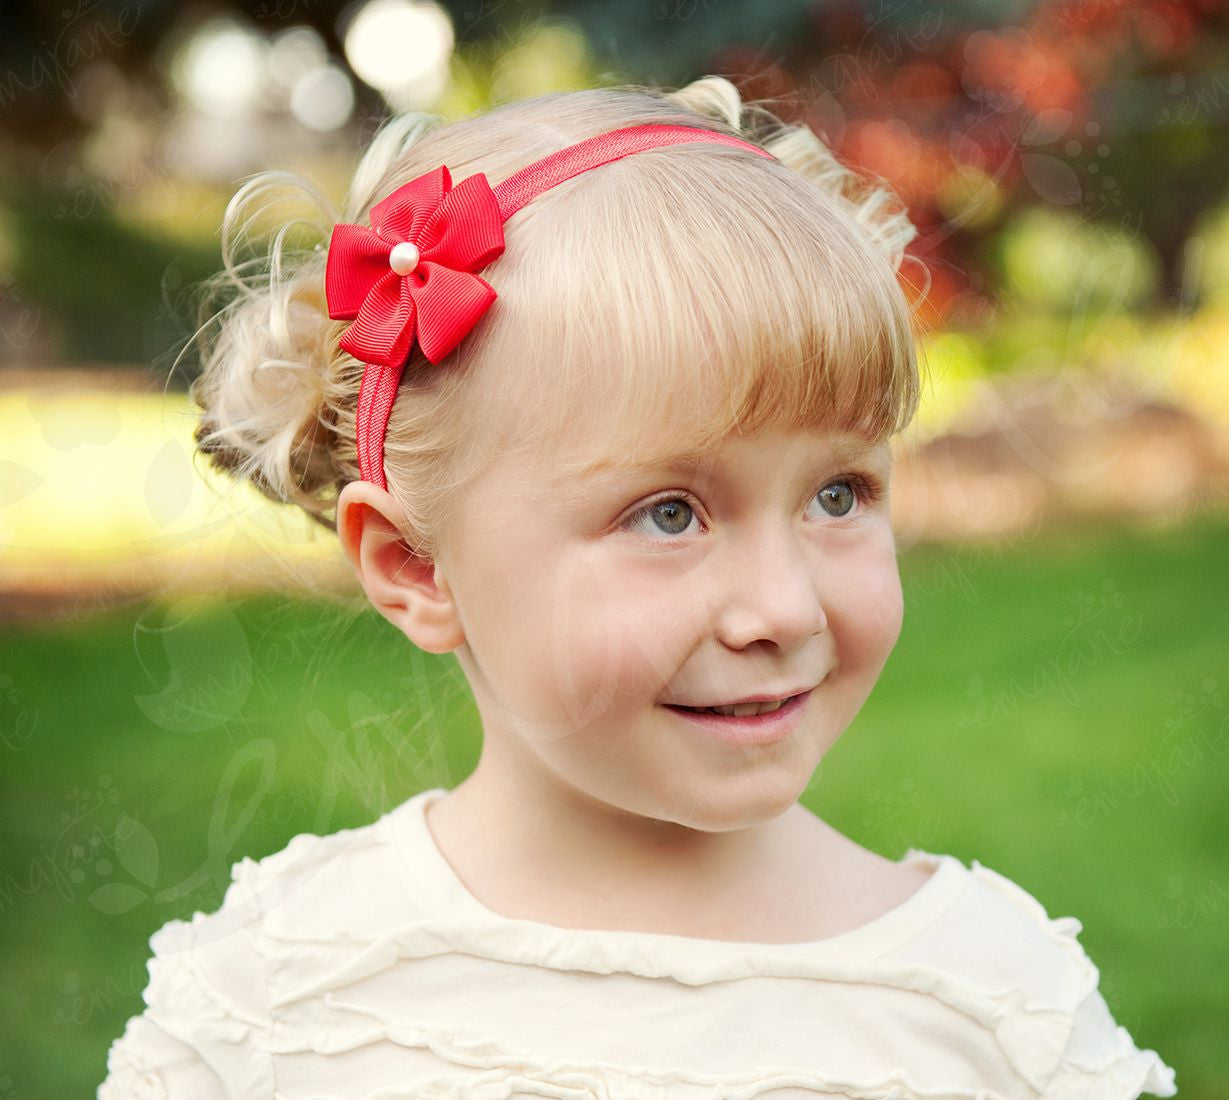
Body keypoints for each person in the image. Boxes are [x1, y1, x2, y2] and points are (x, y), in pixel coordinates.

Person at [98, 76, 1178, 1098]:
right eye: (668, 513)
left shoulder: (986, 1005)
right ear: (416, 566)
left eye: (838, 494)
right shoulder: (278, 994)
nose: (784, 608)